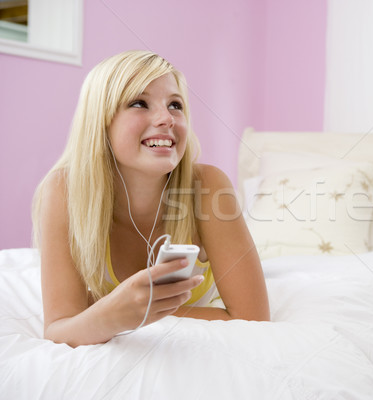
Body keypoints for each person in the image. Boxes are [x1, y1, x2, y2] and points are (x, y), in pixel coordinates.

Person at [32, 50, 270, 347]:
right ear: (100, 122)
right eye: (139, 103)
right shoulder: (64, 190)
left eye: (175, 105)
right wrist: (112, 315)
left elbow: (253, 319)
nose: (166, 118)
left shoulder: (208, 186)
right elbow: (58, 328)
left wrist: (135, 313)